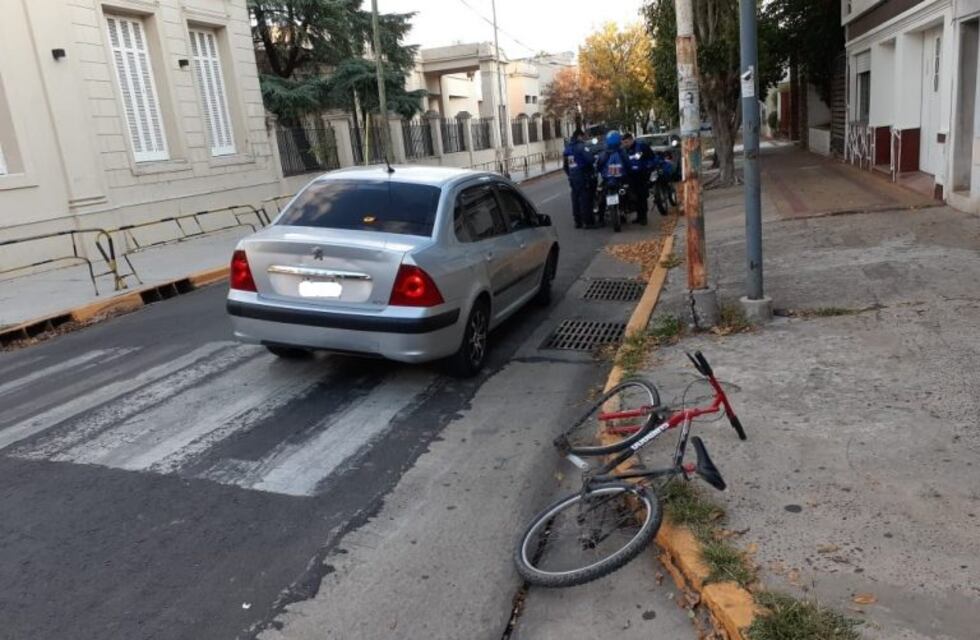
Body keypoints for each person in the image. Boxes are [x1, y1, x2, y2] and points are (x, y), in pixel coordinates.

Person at [562, 129, 595, 228]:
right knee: (585, 199)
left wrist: (570, 175)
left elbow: (565, 166)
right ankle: (587, 222)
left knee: (575, 199)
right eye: (583, 136)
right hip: (583, 175)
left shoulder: (567, 149)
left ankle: (577, 221)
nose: (584, 139)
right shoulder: (581, 147)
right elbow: (590, 159)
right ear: (579, 136)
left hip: (573, 177)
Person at [622, 132, 657, 225]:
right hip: (631, 176)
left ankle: (643, 217)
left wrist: (648, 167)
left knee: (642, 196)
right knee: (634, 197)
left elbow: (650, 158)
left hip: (642, 175)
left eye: (626, 142)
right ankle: (638, 216)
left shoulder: (641, 147)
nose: (625, 144)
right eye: (624, 143)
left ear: (631, 140)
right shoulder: (625, 150)